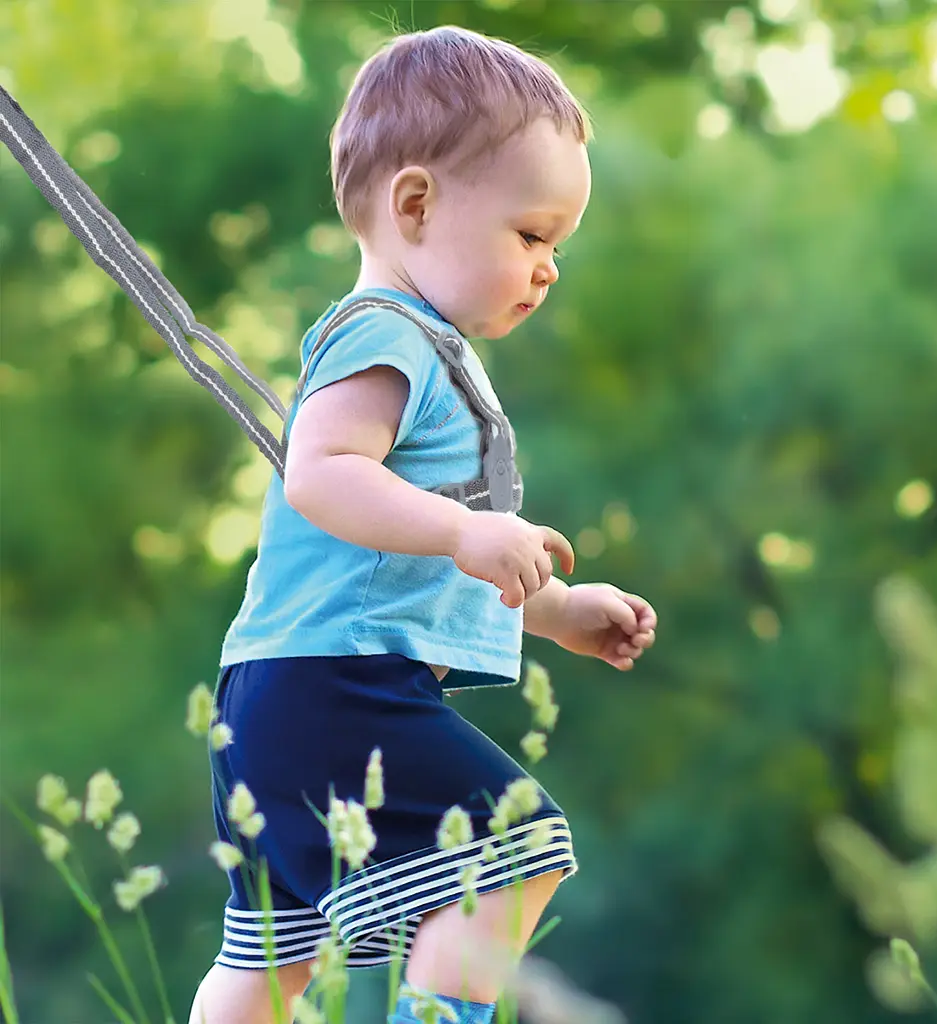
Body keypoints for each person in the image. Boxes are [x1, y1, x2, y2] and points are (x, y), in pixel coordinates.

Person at [188, 24, 657, 1024]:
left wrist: (562, 609)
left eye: (556, 247)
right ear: (415, 204)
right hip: (333, 683)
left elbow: (421, 552)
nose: (548, 267)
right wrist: (461, 534)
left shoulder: (424, 353)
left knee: (273, 949)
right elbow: (322, 475)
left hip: (280, 690)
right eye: (530, 235)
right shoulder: (385, 335)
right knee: (517, 848)